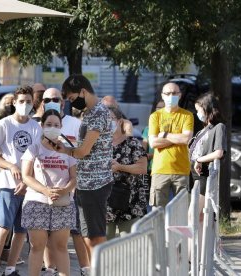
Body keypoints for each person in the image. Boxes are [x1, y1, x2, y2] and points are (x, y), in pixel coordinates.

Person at [55, 74, 114, 262]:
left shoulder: (97, 112)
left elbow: (83, 151)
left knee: (95, 236)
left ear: (83, 91)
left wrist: (65, 149)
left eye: (72, 99)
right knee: (88, 235)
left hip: (95, 184)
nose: (72, 103)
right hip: (87, 183)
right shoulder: (89, 112)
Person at [0, 85, 42, 276]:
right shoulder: (4, 124)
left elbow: (38, 158)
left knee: (21, 231)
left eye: (28, 101)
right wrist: (10, 166)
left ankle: (10, 269)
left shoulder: (36, 126)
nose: (25, 105)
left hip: (28, 187)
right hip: (8, 185)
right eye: (22, 101)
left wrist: (27, 182)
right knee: (4, 227)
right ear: (14, 103)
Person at [21, 109, 77, 276]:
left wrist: (65, 190)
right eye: (49, 124)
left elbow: (74, 178)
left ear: (61, 127)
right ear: (42, 126)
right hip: (36, 202)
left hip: (63, 203)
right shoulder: (33, 148)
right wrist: (45, 190)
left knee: (60, 246)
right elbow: (26, 176)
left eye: (56, 125)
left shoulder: (68, 151)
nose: (52, 127)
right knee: (37, 246)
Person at [40, 88, 90, 275]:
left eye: (56, 98)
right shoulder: (38, 124)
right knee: (47, 231)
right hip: (45, 186)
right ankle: (50, 268)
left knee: (76, 230)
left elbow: (84, 151)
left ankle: (85, 268)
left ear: (63, 102)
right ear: (42, 102)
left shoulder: (75, 123)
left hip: (73, 185)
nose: (52, 101)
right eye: (47, 99)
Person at [188, 92, 226, 255]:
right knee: (196, 218)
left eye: (199, 110)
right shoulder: (205, 129)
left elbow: (218, 152)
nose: (198, 114)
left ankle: (194, 256)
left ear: (207, 108)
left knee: (195, 217)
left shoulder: (219, 127)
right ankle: (195, 254)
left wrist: (200, 160)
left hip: (203, 178)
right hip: (195, 178)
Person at [148, 82, 194, 208]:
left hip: (181, 169)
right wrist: (176, 138)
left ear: (180, 95)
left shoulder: (187, 115)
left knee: (182, 211)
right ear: (162, 96)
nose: (171, 96)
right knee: (157, 211)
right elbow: (153, 142)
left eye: (174, 93)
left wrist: (164, 135)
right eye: (168, 93)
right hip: (160, 170)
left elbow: (186, 139)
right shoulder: (155, 116)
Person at [106, 106, 148, 239]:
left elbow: (142, 168)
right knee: (105, 246)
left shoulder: (133, 143)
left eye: (110, 119)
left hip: (130, 201)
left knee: (129, 246)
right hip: (105, 202)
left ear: (119, 121)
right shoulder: (97, 144)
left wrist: (120, 167)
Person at [142, 99, 165, 212]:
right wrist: (153, 155)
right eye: (158, 107)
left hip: (165, 170)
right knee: (150, 200)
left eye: (163, 107)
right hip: (150, 169)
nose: (160, 110)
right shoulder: (148, 129)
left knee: (162, 201)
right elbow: (142, 151)